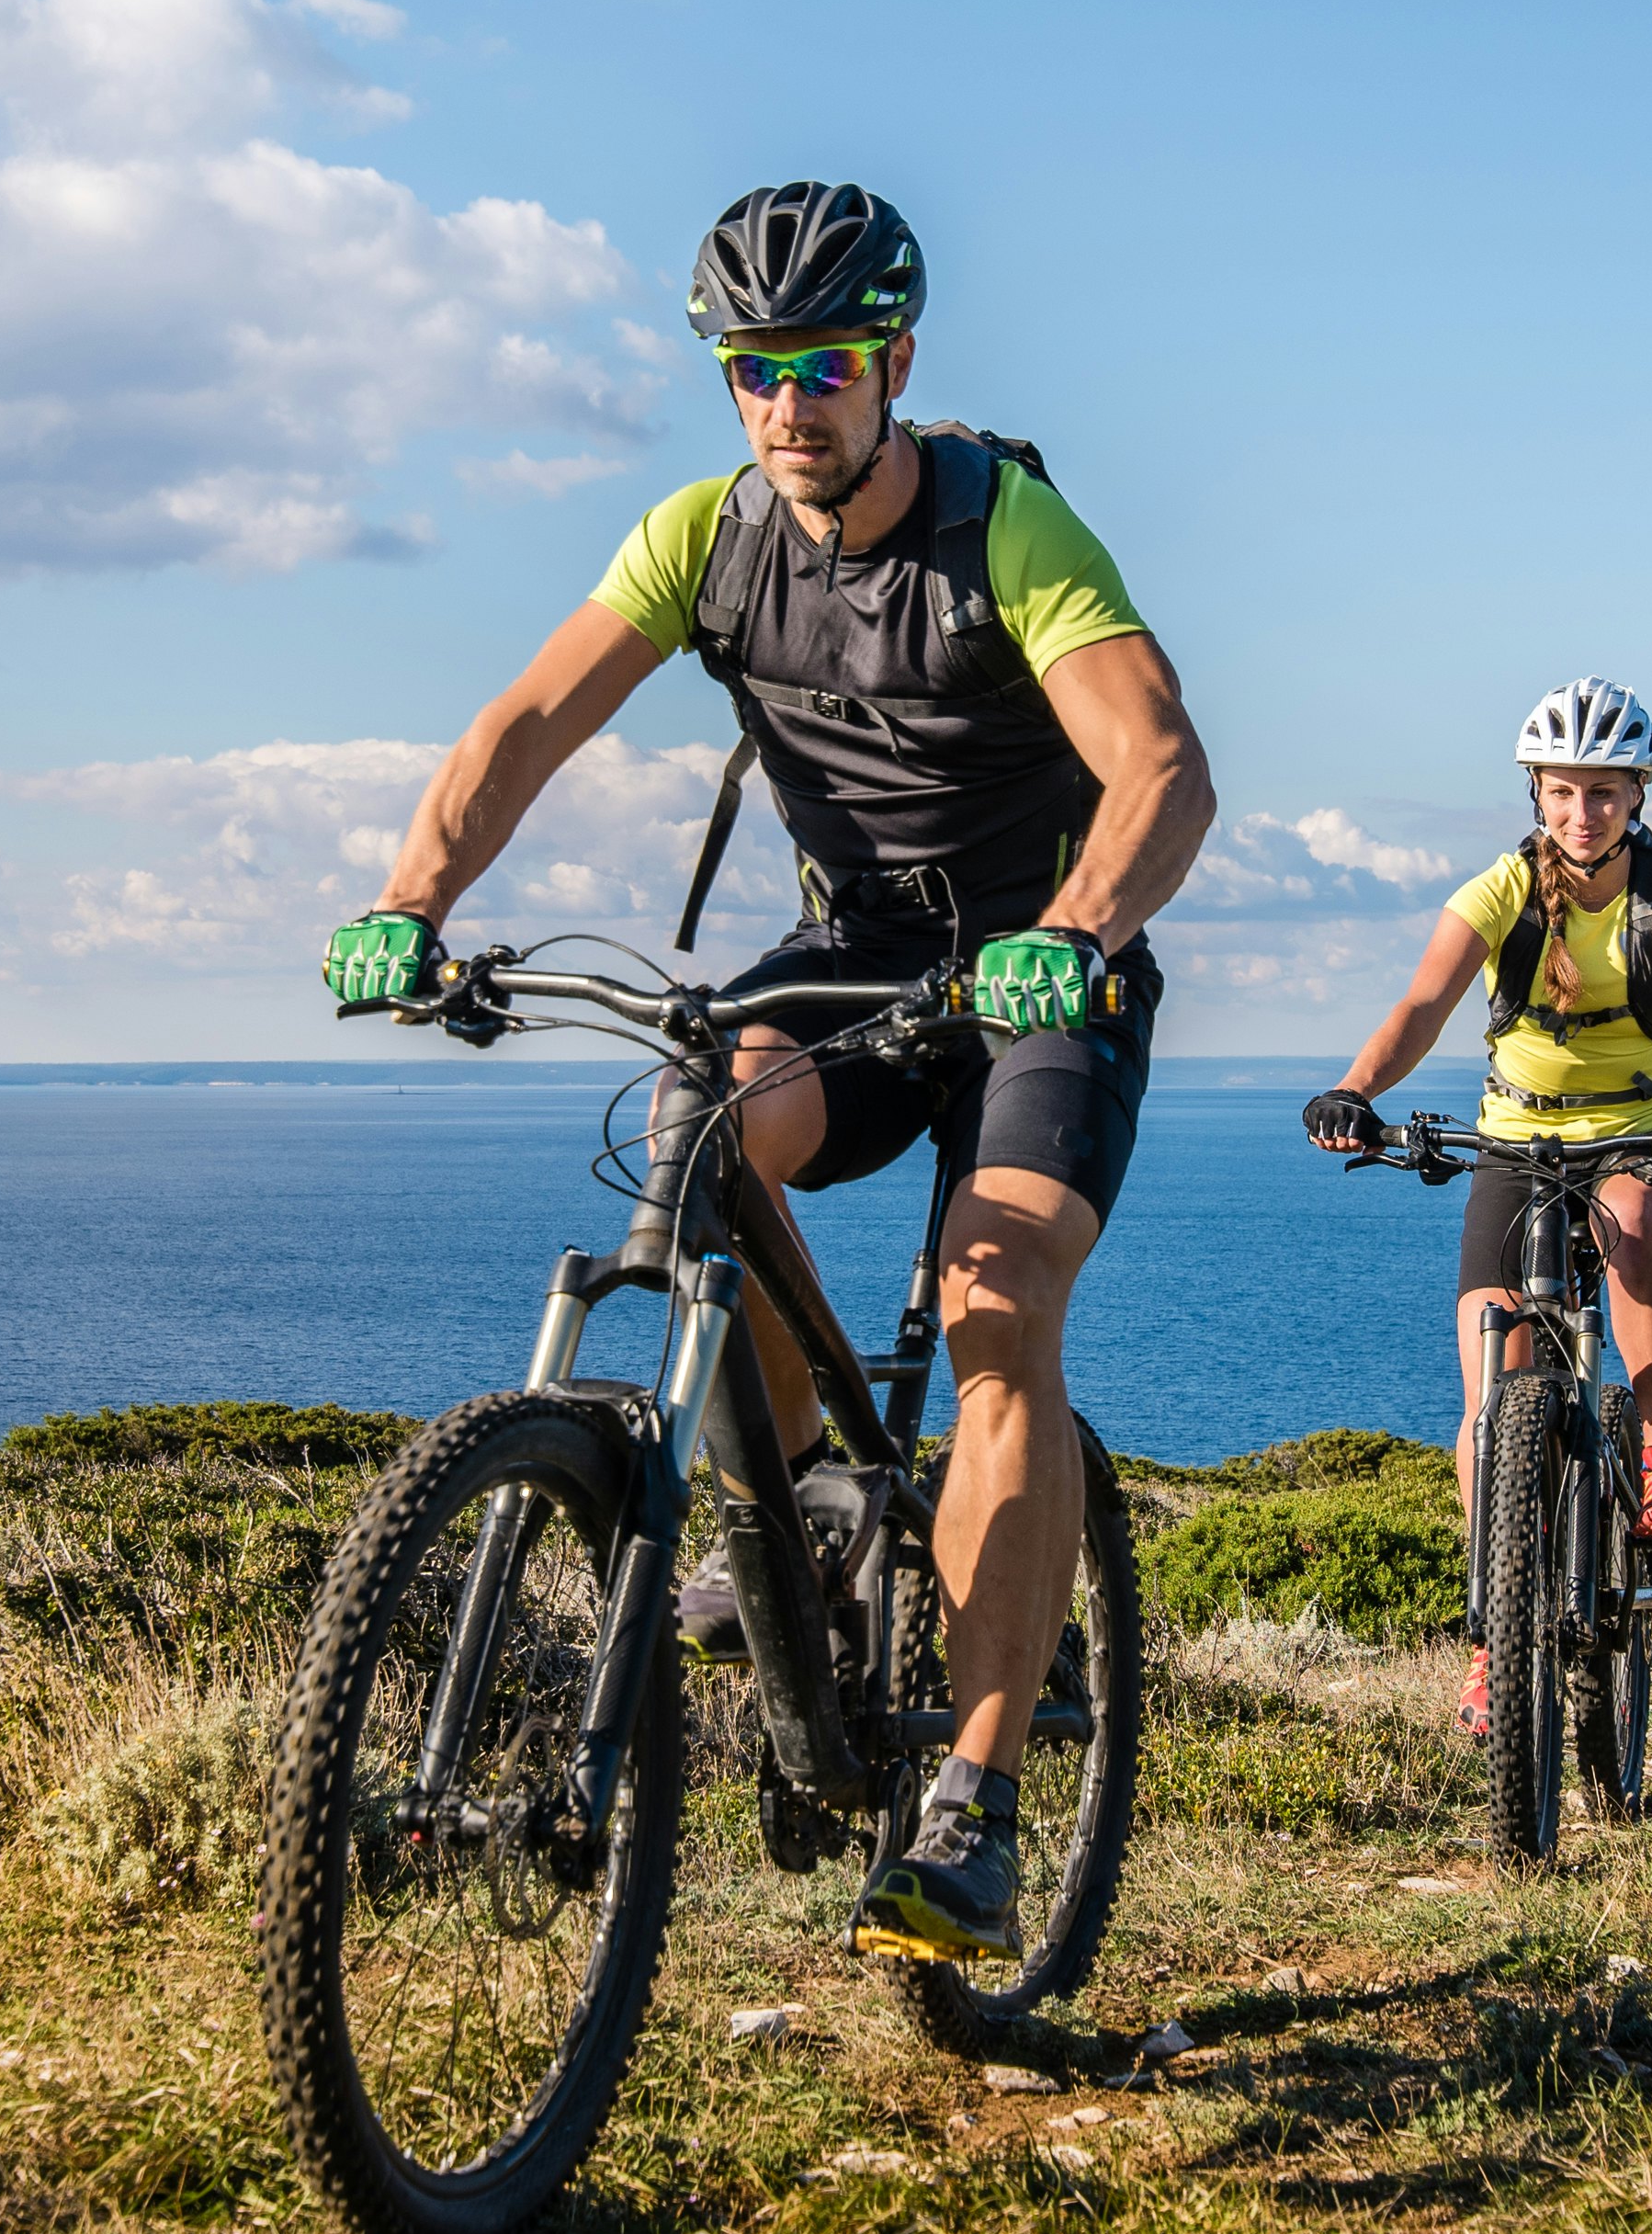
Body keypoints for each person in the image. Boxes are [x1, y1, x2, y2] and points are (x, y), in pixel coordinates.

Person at [322, 181, 1215, 1967]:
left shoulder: (1004, 531)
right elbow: (523, 725)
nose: (787, 403)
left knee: (995, 1305)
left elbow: (1161, 764)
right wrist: (413, 900)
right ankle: (796, 1518)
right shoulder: (706, 537)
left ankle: (969, 1802)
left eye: (820, 365)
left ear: (890, 363)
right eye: (751, 370)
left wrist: (1085, 925)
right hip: (861, 946)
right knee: (700, 1113)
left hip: (1046, 964)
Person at [1303, 676, 1652, 1732]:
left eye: (1604, 793)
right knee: (1489, 1373)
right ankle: (1496, 1636)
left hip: (1645, 1138)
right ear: (1536, 792)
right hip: (1518, 1143)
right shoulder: (1500, 891)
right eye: (1564, 792)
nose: (1582, 814)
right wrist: (1354, 1093)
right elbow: (1421, 1005)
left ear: (1639, 794)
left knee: (1633, 1230)